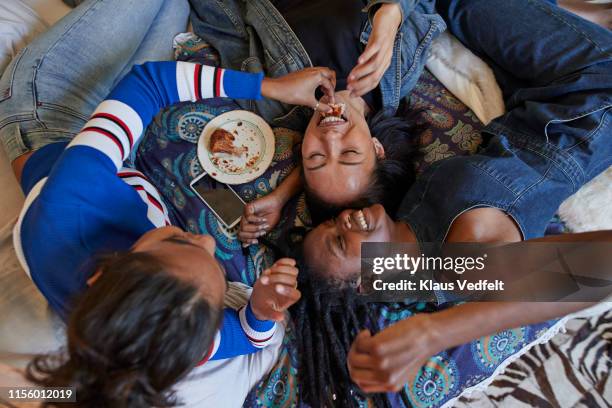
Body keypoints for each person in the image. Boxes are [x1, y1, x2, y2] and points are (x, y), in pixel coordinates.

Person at [0, 0, 335, 405]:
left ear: (105, 272)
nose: (208, 242)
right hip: (121, 155)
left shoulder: (69, 209)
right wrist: (261, 310)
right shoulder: (166, 338)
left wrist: (270, 87)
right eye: (213, 265)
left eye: (180, 242)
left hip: (50, 115)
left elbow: (151, 84)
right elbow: (248, 336)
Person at [284, 0, 612, 405]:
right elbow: (600, 264)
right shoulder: (455, 266)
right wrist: (436, 333)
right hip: (592, 92)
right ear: (368, 282)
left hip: (531, 102)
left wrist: (282, 193)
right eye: (338, 242)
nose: (344, 220)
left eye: (329, 224)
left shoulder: (403, 227)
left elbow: (338, 163)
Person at [188, 0, 442, 242]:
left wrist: (279, 197)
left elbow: (221, 23)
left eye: (316, 157)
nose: (330, 137)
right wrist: (391, 12)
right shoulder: (400, 69)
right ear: (377, 148)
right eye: (350, 152)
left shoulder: (270, 102)